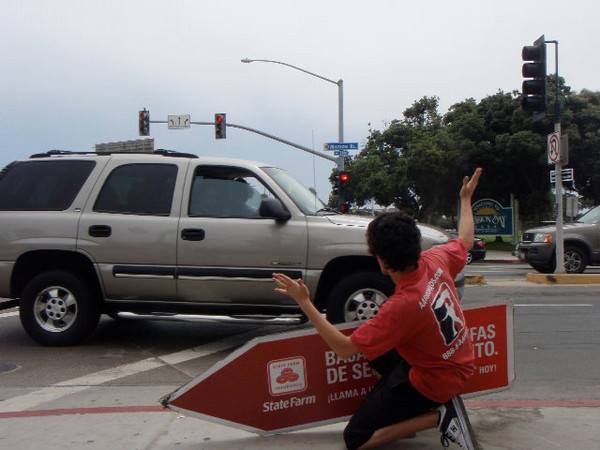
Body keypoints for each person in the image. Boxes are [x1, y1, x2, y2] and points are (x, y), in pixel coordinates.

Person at [272, 168, 482, 450]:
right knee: (374, 347)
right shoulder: (435, 258)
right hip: (454, 359)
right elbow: (466, 241)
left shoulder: (401, 306)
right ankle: (408, 406)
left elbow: (344, 348)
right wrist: (465, 199)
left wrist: (305, 302)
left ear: (382, 262)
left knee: (356, 439)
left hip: (435, 380)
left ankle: (439, 417)